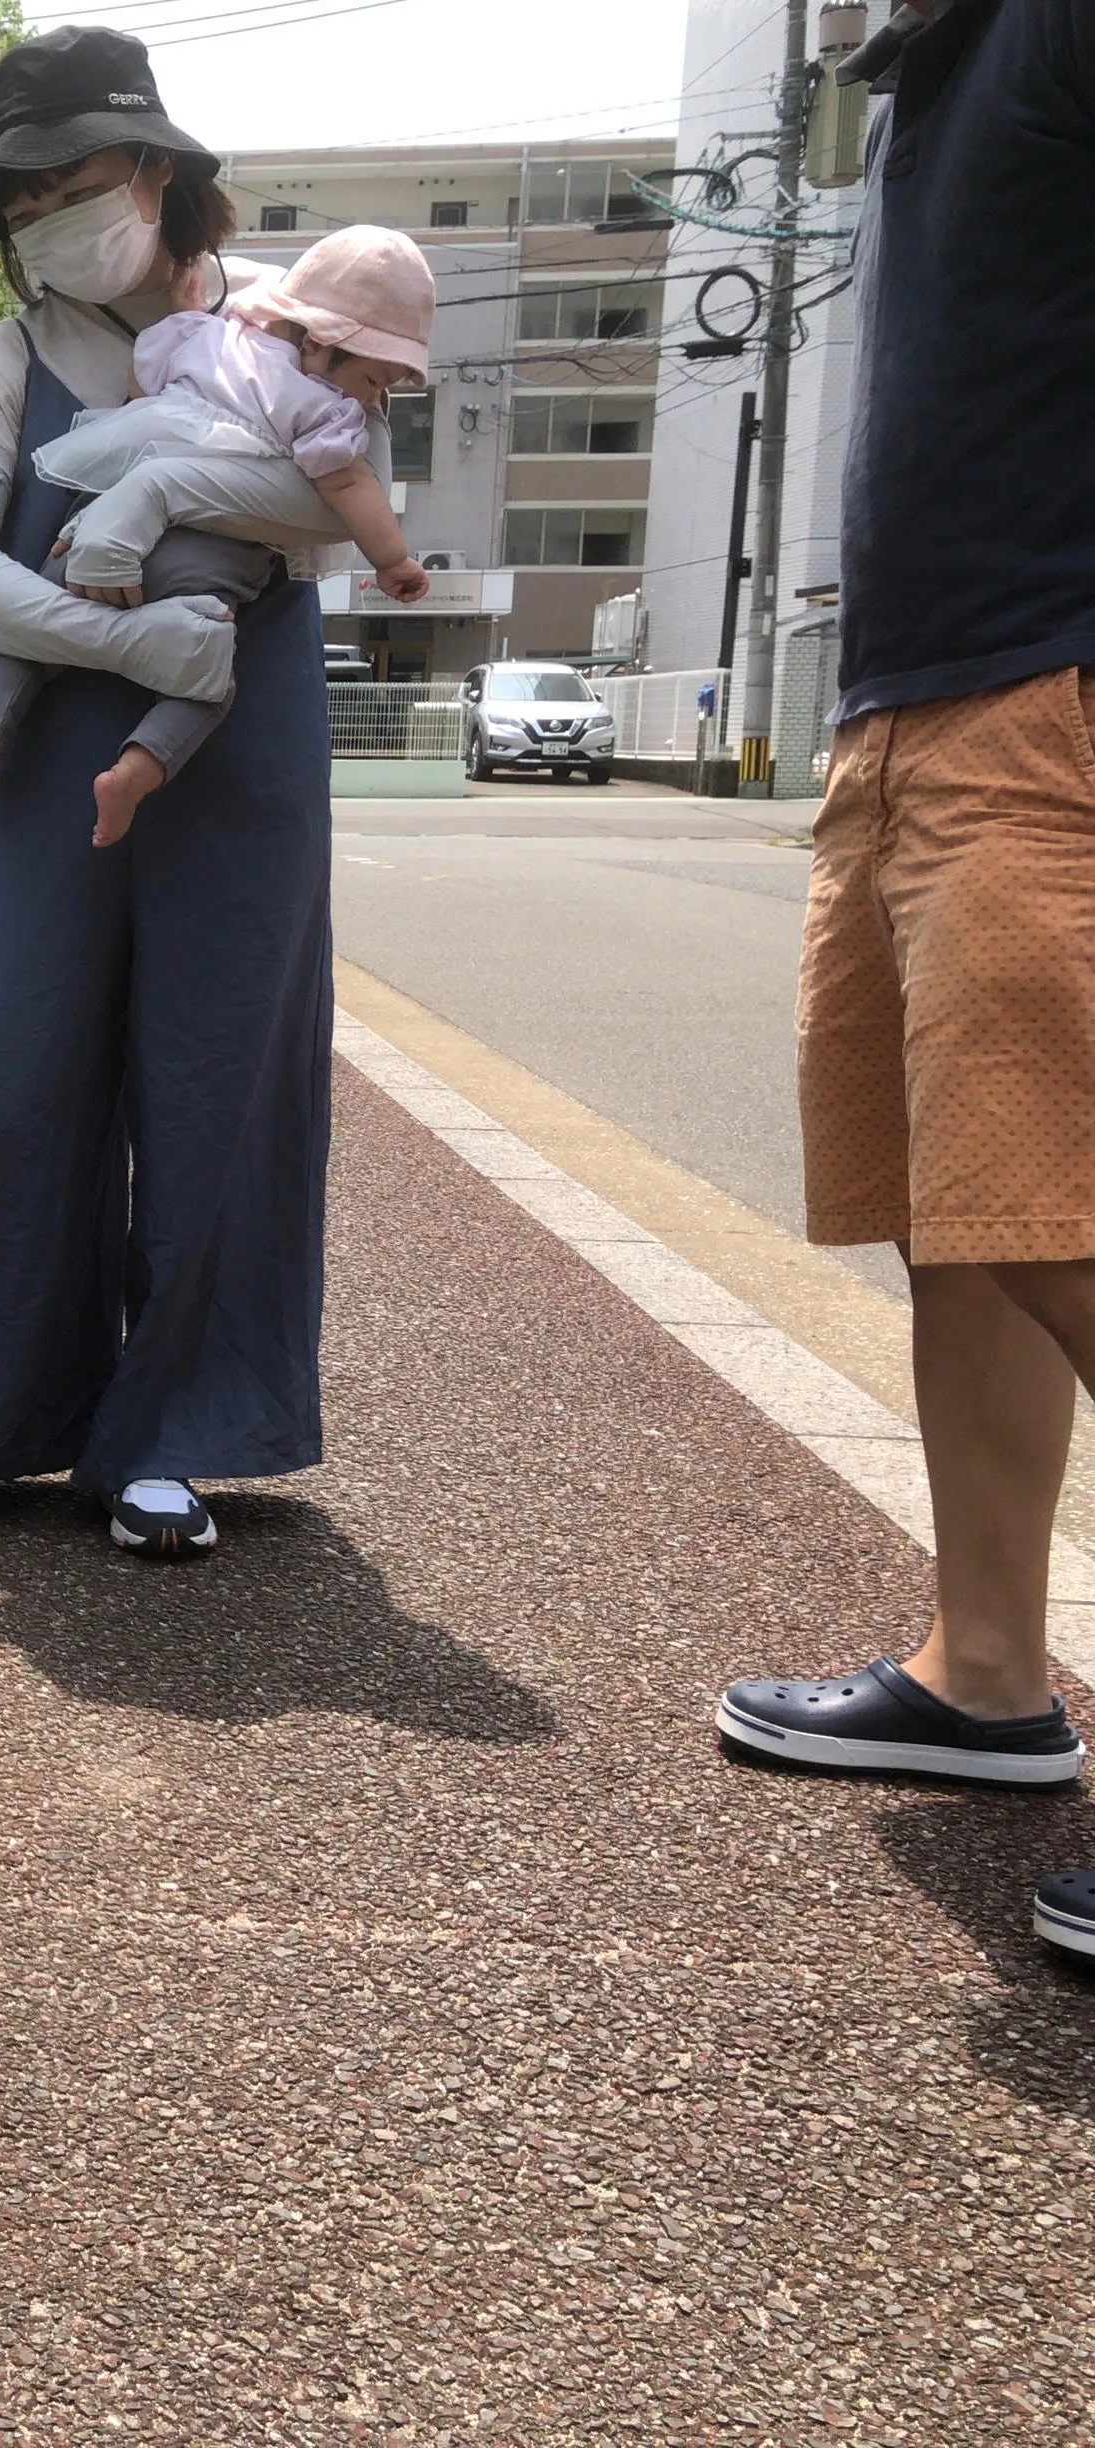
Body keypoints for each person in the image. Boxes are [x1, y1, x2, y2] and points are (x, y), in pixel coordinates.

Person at [0, 24, 369, 1560]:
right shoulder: (1, 361)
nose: (41, 223)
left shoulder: (279, 324)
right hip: (55, 745)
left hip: (242, 744)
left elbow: (336, 506)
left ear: (153, 169)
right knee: (16, 1073)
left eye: (64, 185)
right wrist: (116, 631)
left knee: (221, 1077)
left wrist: (150, 506)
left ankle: (173, 1435)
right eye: (14, 204)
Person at [708, 0, 1095, 1958]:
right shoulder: (940, 74)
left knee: (1063, 1229)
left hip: (1055, 699)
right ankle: (989, 1668)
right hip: (925, 703)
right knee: (976, 1219)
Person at [0, 225, 437, 848]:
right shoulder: (324, 409)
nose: (376, 399)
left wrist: (184, 323)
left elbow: (137, 388)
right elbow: (348, 490)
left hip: (95, 519)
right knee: (208, 681)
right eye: (377, 380)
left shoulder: (210, 336)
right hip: (206, 560)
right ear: (323, 342)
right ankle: (134, 772)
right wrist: (393, 559)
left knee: (29, 630)